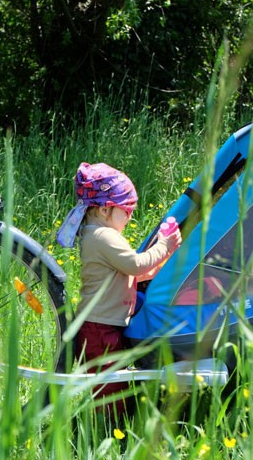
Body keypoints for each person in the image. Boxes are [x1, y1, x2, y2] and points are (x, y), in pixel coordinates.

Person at [56, 162, 182, 420]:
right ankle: (108, 430)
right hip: (99, 328)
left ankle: (110, 424)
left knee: (113, 384)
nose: (130, 217)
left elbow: (127, 273)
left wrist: (158, 261)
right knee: (110, 389)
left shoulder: (97, 233)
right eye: (127, 211)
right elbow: (135, 265)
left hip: (102, 325)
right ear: (104, 209)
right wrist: (165, 247)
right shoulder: (103, 236)